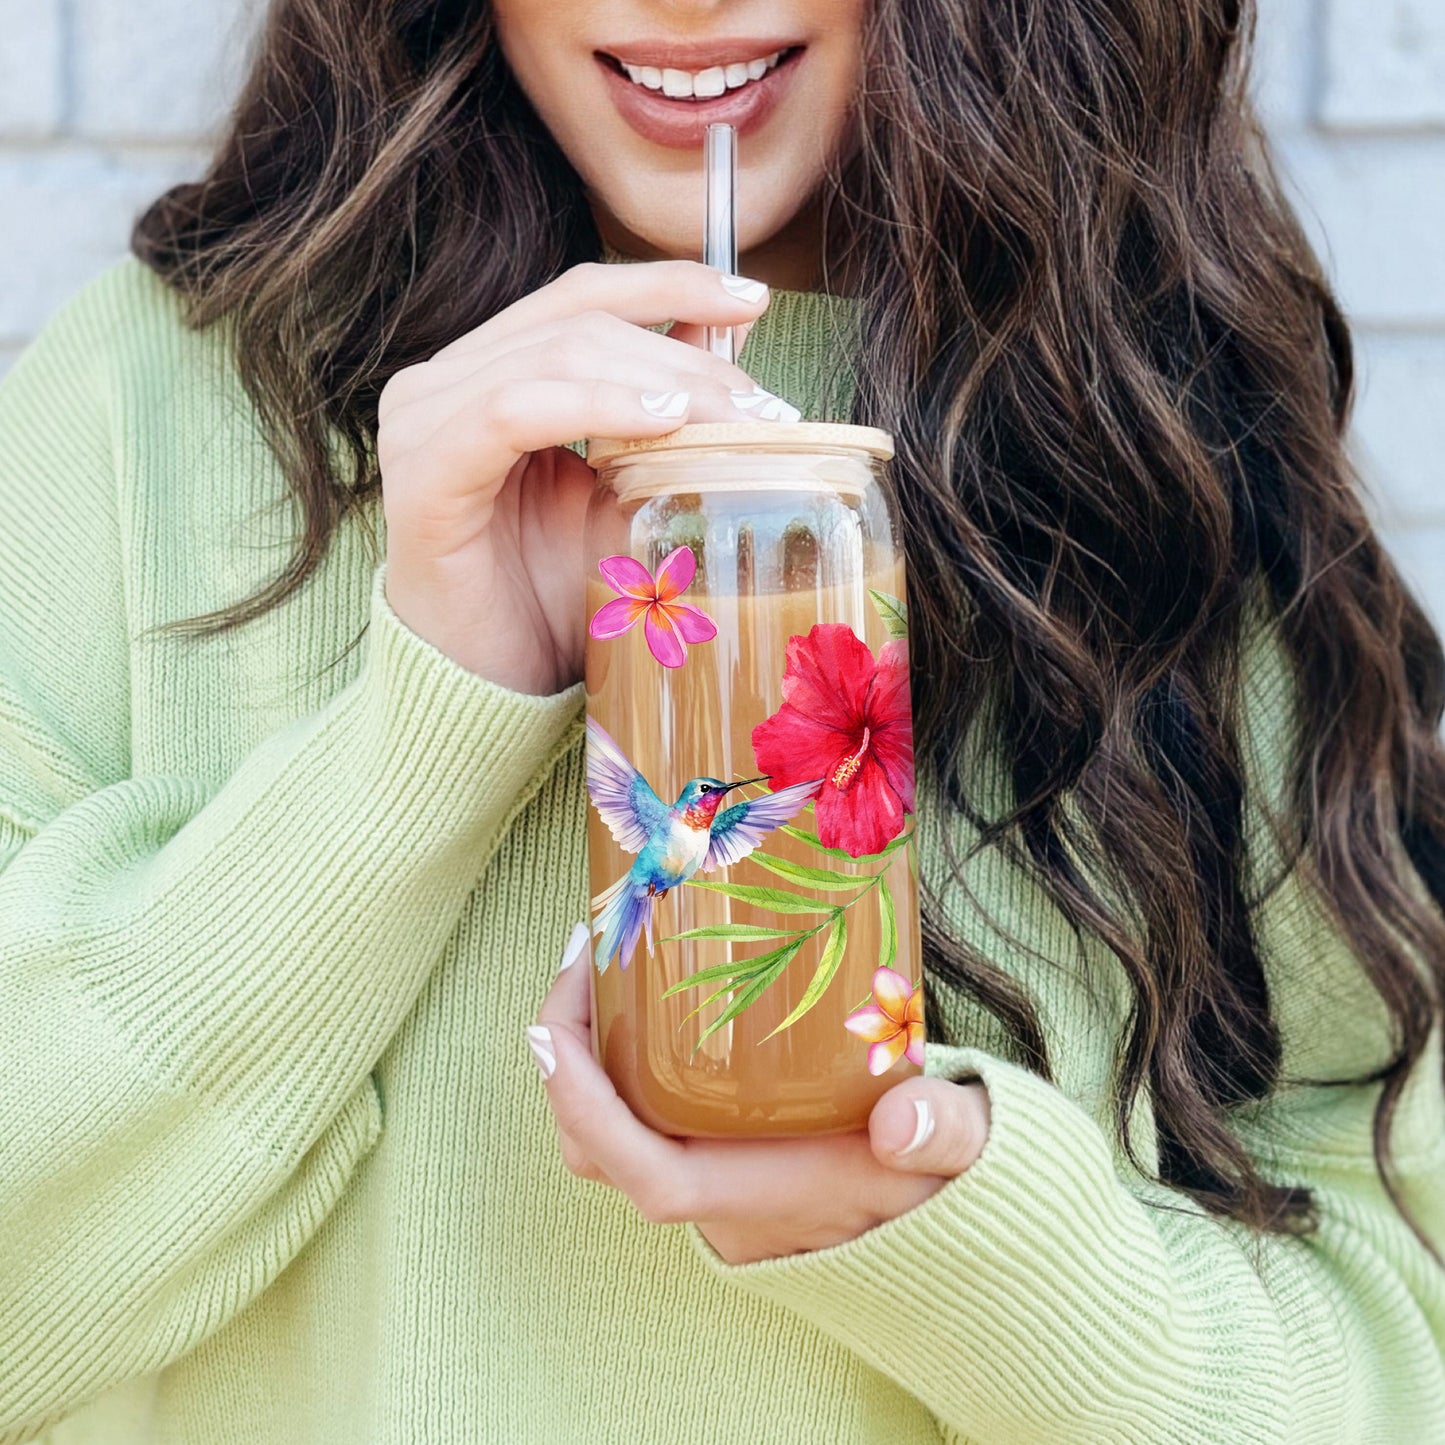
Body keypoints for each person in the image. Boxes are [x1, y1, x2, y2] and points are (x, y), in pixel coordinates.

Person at [0, 0, 1441, 1439]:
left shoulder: (1164, 468)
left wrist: (975, 1253)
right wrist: (427, 722)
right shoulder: (154, 406)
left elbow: (1401, 1361)